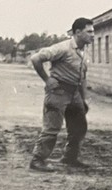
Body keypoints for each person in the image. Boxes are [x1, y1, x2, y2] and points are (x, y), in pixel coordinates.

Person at [29, 18, 95, 173]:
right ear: (77, 32)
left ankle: (70, 158)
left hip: (74, 93)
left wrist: (83, 99)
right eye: (89, 31)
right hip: (58, 92)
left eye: (93, 31)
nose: (93, 35)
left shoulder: (82, 52)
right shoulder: (63, 48)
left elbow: (82, 78)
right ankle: (37, 160)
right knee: (52, 128)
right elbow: (36, 58)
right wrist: (47, 79)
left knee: (79, 126)